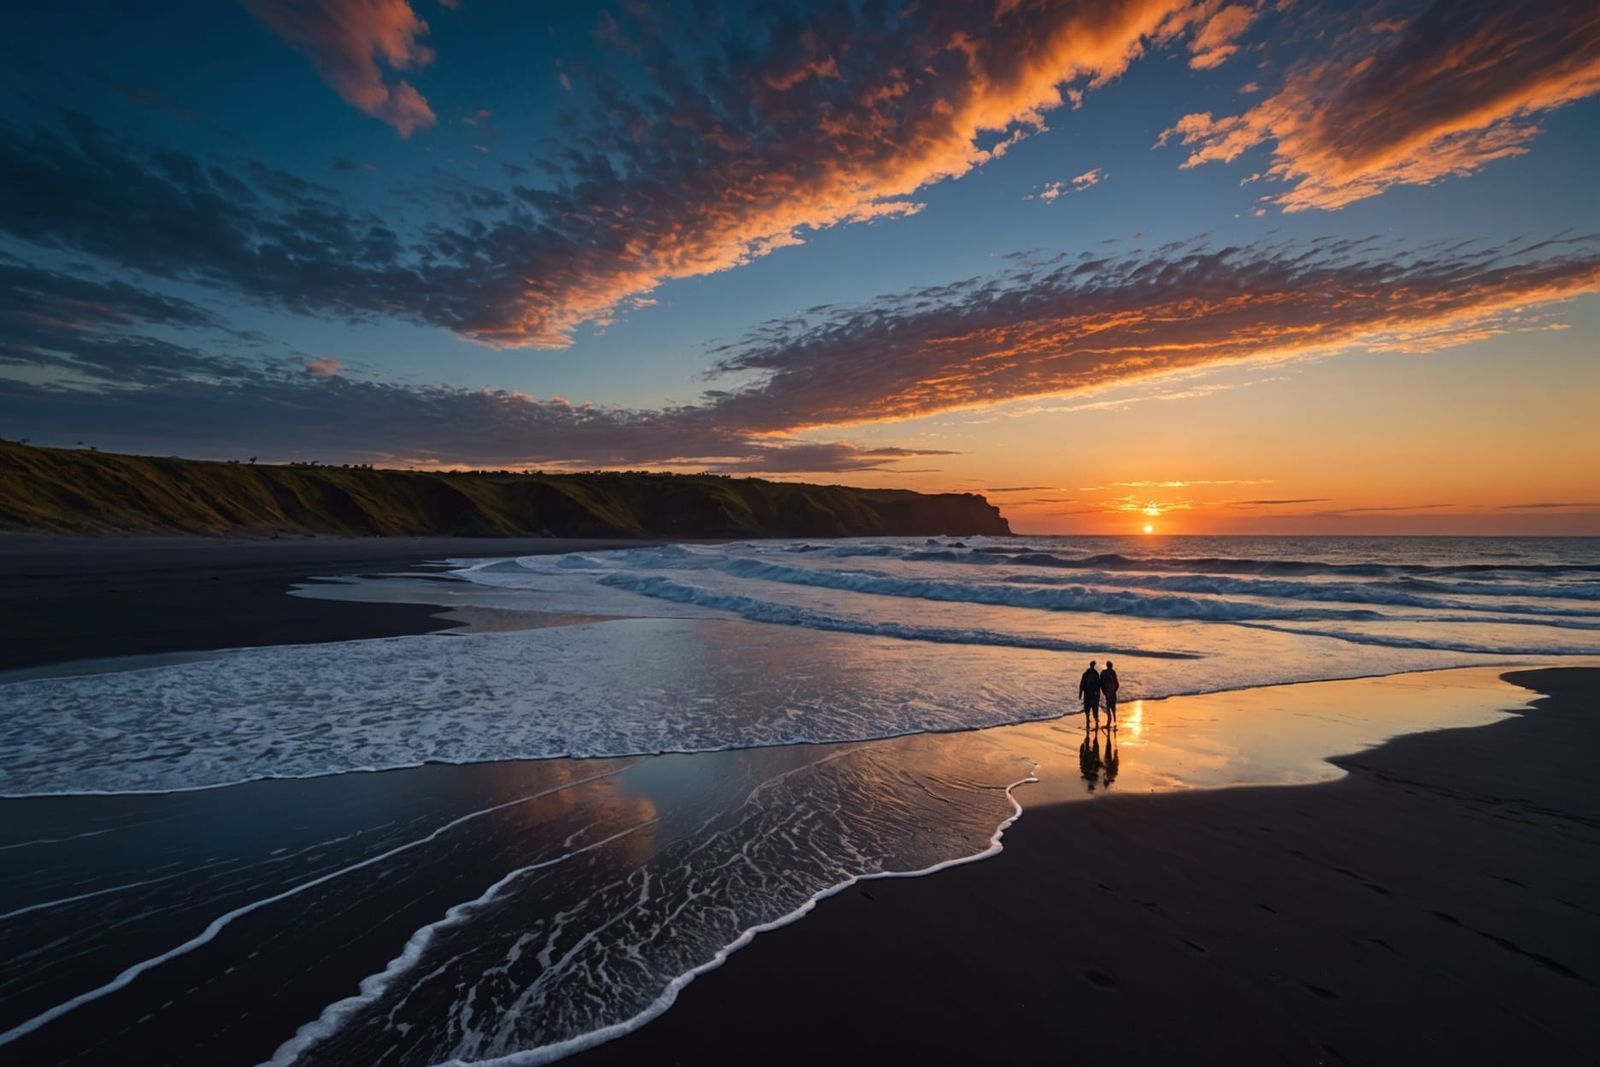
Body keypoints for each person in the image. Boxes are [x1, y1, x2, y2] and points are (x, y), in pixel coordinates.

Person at [1100, 660, 1119, 725]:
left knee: (1108, 705)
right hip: (1112, 692)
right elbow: (1117, 684)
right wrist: (1114, 690)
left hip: (1107, 691)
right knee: (1113, 705)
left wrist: (1103, 691)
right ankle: (1114, 716)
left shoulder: (1103, 672)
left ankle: (1110, 717)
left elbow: (1101, 683)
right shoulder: (1113, 673)